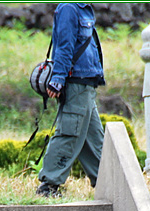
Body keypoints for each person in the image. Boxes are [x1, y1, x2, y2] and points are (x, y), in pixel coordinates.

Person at [36, 3, 105, 198]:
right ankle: (48, 186)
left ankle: (108, 182)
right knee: (69, 132)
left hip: (87, 83)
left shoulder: (84, 8)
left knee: (94, 138)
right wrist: (58, 78)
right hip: (76, 82)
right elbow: (64, 45)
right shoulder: (69, 8)